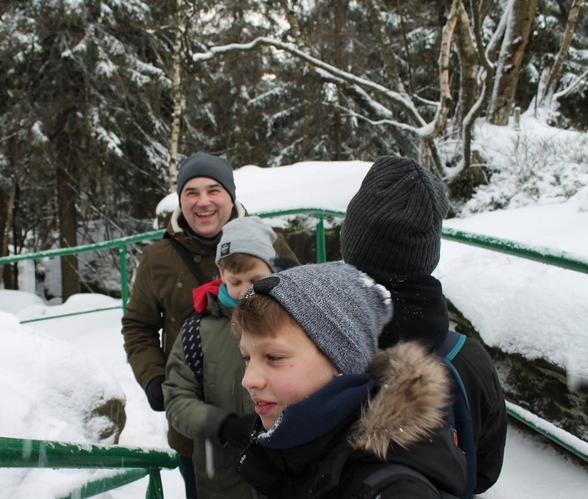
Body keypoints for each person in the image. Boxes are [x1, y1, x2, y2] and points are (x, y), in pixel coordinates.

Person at [121, 152, 297, 498]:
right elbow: (138, 326)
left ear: (230, 196)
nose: (203, 202)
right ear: (180, 200)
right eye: (192, 192)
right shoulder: (158, 258)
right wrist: (155, 378)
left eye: (214, 190)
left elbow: (303, 312)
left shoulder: (269, 242)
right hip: (199, 431)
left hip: (277, 422)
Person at [340, 155, 508, 494]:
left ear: (351, 243)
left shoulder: (322, 346)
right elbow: (484, 472)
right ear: (429, 252)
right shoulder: (469, 361)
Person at [231, 262, 468, 498]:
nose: (248, 379)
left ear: (340, 360)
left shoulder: (395, 491)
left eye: (274, 357)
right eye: (246, 358)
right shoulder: (291, 451)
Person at [163, 216, 296, 499]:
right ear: (220, 272)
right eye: (235, 281)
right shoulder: (196, 332)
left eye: (256, 280)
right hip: (221, 478)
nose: (245, 290)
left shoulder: (293, 323)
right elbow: (176, 398)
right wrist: (221, 425)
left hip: (286, 471)